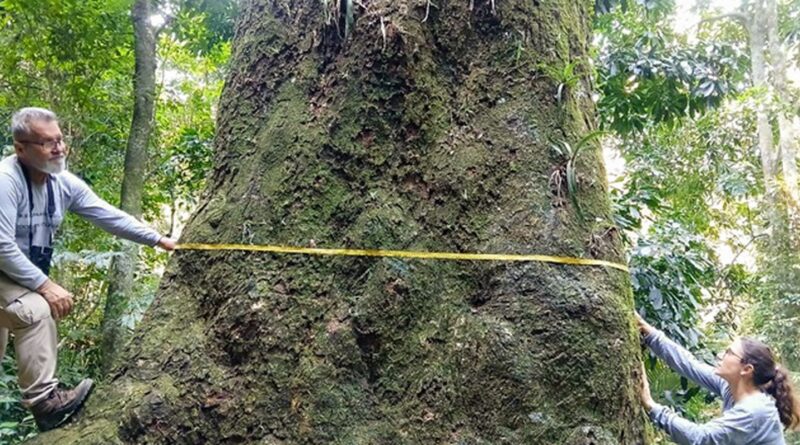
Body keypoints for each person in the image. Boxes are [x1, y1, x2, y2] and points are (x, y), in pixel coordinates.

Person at [0, 107, 176, 431]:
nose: (58, 148)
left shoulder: (61, 183)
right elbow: (1, 245)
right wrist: (46, 285)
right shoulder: (6, 181)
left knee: (32, 308)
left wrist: (158, 239)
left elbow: (106, 214)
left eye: (60, 139)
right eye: (46, 143)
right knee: (38, 308)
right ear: (20, 148)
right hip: (5, 271)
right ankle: (45, 404)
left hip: (14, 278)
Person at [637, 312, 800, 444]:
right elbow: (690, 366)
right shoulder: (731, 388)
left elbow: (701, 438)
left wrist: (652, 406)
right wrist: (650, 333)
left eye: (729, 352)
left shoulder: (755, 410)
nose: (722, 355)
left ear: (746, 369)